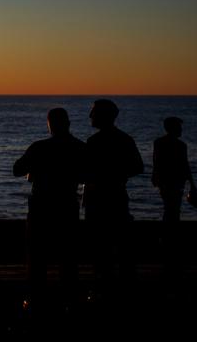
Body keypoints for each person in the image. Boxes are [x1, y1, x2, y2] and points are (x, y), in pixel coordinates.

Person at [13, 108, 85, 310]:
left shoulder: (39, 147)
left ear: (50, 124)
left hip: (41, 208)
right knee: (68, 257)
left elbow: (17, 169)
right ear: (68, 123)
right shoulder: (80, 147)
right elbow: (87, 175)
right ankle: (69, 300)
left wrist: (35, 169)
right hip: (68, 206)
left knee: (37, 256)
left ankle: (37, 300)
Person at [83, 99, 144, 297]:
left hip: (98, 201)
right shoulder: (125, 139)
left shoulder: (94, 143)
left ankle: (105, 289)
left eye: (93, 112)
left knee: (101, 250)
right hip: (117, 197)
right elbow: (137, 167)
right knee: (119, 247)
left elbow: (85, 171)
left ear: (102, 116)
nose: (90, 116)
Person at [152, 116, 197, 274]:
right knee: (173, 209)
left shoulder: (160, 143)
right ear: (173, 128)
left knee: (170, 208)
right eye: (179, 127)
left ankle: (168, 238)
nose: (181, 130)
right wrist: (192, 183)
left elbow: (156, 162)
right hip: (173, 181)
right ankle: (170, 239)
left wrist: (155, 177)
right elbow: (185, 165)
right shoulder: (179, 145)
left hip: (168, 181)